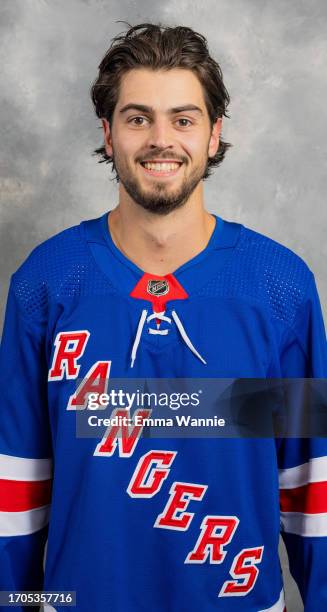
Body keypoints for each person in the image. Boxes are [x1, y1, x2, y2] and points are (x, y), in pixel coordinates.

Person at [0, 22, 326, 612]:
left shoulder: (281, 288)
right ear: (108, 130)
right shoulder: (46, 284)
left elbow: (309, 487)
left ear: (213, 134)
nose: (160, 139)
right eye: (137, 117)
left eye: (183, 118)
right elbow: (17, 488)